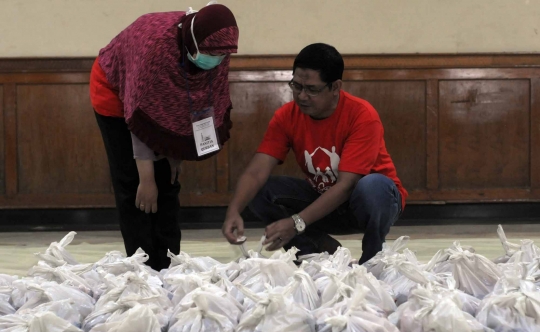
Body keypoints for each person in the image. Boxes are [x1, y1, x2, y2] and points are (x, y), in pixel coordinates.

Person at [222, 43, 407, 265]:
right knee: (261, 190)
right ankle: (315, 253)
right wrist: (234, 211)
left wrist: (296, 222)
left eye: (312, 89)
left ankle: (373, 260)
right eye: (296, 86)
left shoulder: (361, 115)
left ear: (335, 86)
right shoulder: (287, 116)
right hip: (325, 201)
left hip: (369, 203)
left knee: (372, 186)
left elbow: (347, 185)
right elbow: (256, 172)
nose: (302, 95)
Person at [90, 2, 239, 270]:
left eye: (220, 56)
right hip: (114, 90)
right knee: (133, 184)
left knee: (168, 182)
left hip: (154, 94)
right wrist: (146, 180)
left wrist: (177, 152)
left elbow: (201, 104)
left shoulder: (217, 51)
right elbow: (140, 117)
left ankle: (168, 264)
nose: (215, 60)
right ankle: (142, 267)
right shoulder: (156, 51)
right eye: (208, 54)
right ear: (192, 42)